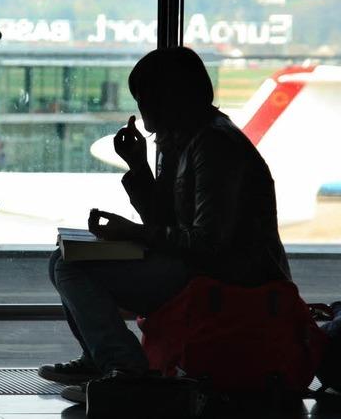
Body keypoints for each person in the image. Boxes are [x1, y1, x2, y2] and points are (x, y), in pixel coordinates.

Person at [38, 47, 292, 403]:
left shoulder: (214, 146)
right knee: (62, 261)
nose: (142, 112)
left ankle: (127, 372)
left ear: (169, 97)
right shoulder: (189, 139)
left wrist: (132, 233)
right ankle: (102, 360)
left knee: (71, 268)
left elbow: (208, 243)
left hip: (232, 277)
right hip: (211, 267)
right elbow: (167, 223)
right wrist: (139, 168)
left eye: (145, 99)